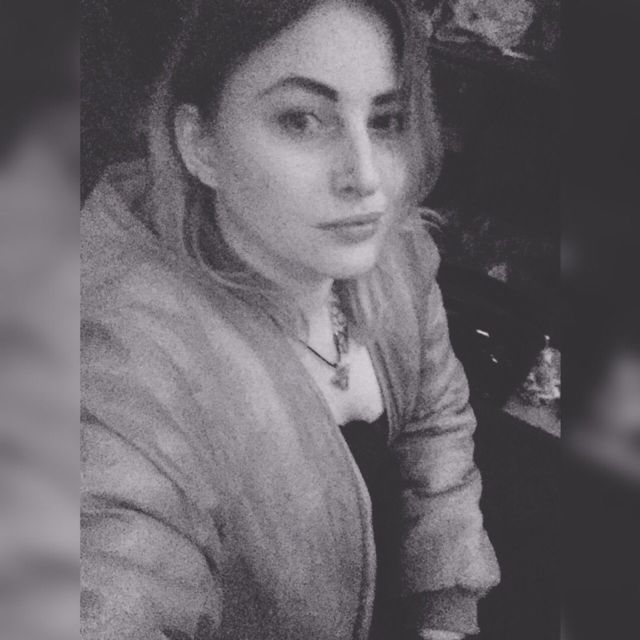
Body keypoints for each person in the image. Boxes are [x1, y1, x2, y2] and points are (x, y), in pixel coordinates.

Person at [81, 1, 500, 638]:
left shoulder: (397, 257)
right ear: (200, 145)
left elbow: (434, 425)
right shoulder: (125, 360)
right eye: (302, 120)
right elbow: (112, 571)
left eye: (385, 120)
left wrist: (446, 608)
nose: (366, 177)